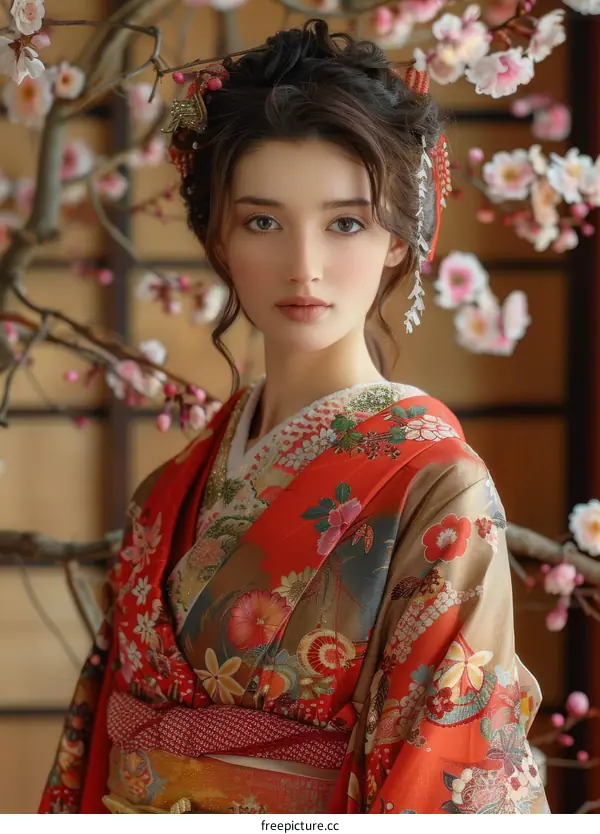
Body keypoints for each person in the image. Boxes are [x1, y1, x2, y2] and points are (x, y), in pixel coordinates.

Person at [40, 18, 549, 814]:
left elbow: (441, 769)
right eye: (263, 222)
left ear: (398, 239)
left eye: (346, 222)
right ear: (218, 235)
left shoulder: (437, 489)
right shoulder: (169, 492)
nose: (303, 267)